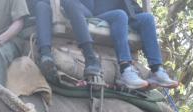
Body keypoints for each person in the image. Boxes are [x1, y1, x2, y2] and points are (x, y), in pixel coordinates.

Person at [35, 0, 178, 89]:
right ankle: (126, 69)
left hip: (127, 14)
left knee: (147, 18)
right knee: (120, 15)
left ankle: (157, 69)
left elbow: (134, 8)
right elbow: (89, 6)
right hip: (103, 14)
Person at [34, 0, 102, 82]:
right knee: (41, 5)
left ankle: (91, 58)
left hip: (79, 7)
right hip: (55, 7)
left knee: (70, 2)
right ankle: (46, 57)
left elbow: (90, 5)